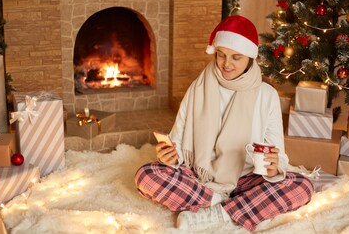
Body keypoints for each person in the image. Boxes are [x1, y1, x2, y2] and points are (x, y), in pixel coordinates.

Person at [134, 15, 314, 231]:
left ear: (249, 57)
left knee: (302, 186)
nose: (226, 64)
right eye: (221, 55)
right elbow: (179, 145)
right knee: (146, 175)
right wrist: (170, 157)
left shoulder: (267, 95)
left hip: (247, 179)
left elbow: (279, 157)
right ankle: (231, 206)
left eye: (236, 57)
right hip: (199, 176)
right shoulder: (199, 87)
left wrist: (274, 168)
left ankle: (215, 212)